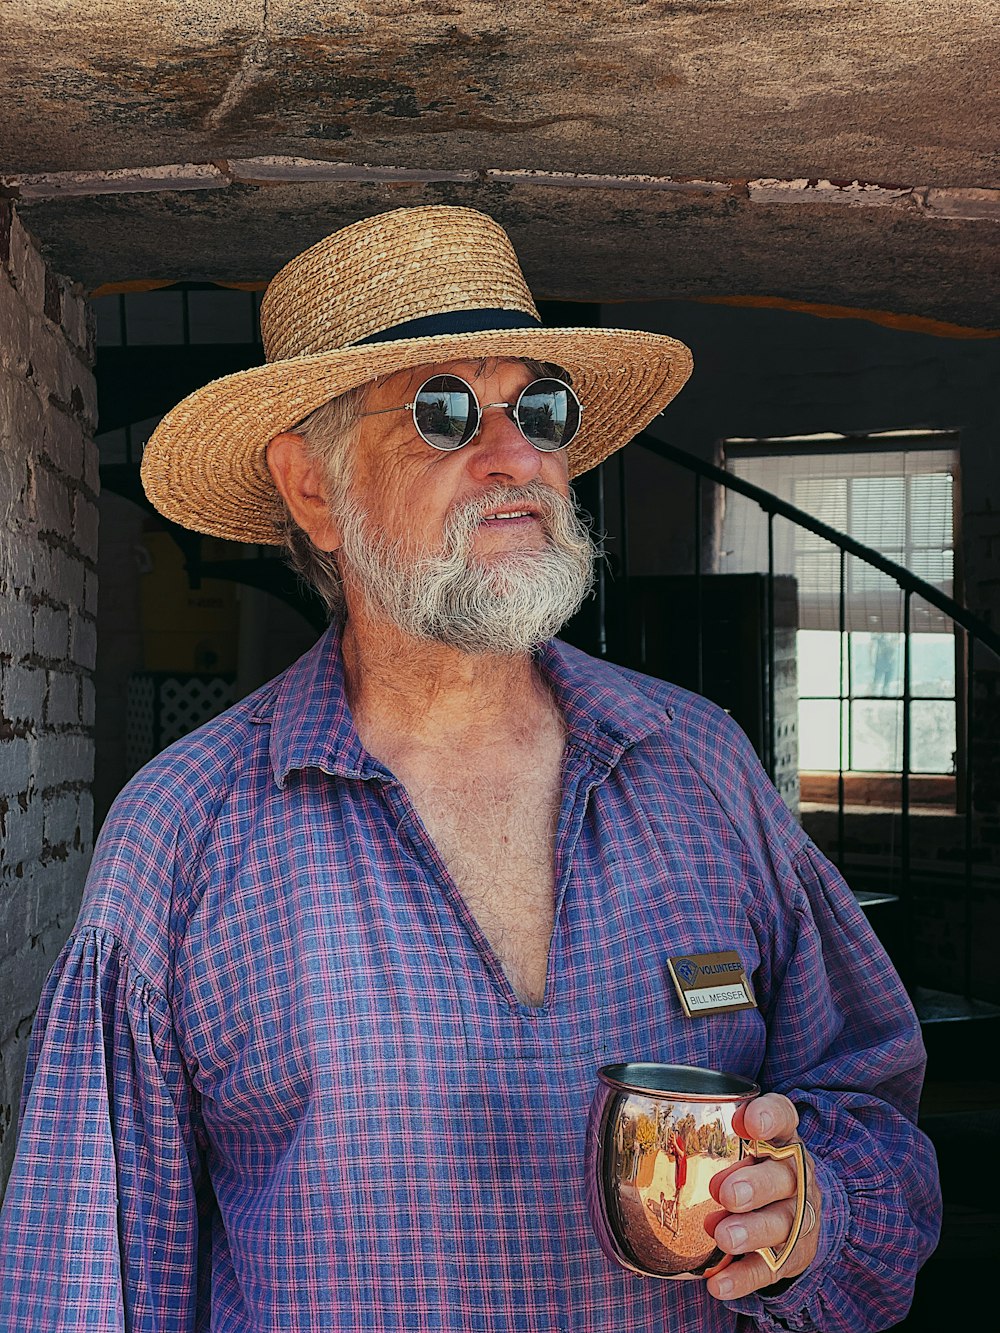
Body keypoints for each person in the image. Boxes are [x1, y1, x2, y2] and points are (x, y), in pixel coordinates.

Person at [0, 205, 940, 1331]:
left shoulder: (701, 766)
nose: (513, 455)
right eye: (443, 412)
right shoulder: (185, 830)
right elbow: (87, 1273)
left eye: (537, 406)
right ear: (311, 489)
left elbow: (876, 1113)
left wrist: (807, 1209)